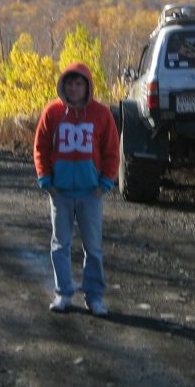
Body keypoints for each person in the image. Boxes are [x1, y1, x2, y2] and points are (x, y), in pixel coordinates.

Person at [33, 62, 120, 316]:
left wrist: (105, 183)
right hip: (60, 193)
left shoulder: (101, 114)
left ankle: (94, 297)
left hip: (90, 193)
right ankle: (63, 293)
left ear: (87, 86)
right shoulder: (52, 112)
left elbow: (111, 150)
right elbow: (41, 147)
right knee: (60, 245)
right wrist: (45, 179)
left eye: (79, 83)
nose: (73, 88)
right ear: (63, 85)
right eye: (69, 83)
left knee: (93, 247)